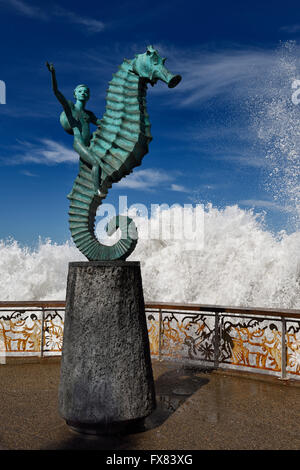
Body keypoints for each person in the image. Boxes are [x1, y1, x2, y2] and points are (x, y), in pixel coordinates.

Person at [46, 62, 101, 193]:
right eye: (80, 91)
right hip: (79, 142)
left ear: (89, 96)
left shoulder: (89, 114)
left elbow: (103, 124)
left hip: (90, 143)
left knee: (85, 171)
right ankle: (97, 190)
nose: (83, 93)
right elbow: (56, 92)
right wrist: (53, 74)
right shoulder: (70, 107)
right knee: (96, 164)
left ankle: (85, 189)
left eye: (86, 92)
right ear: (75, 94)